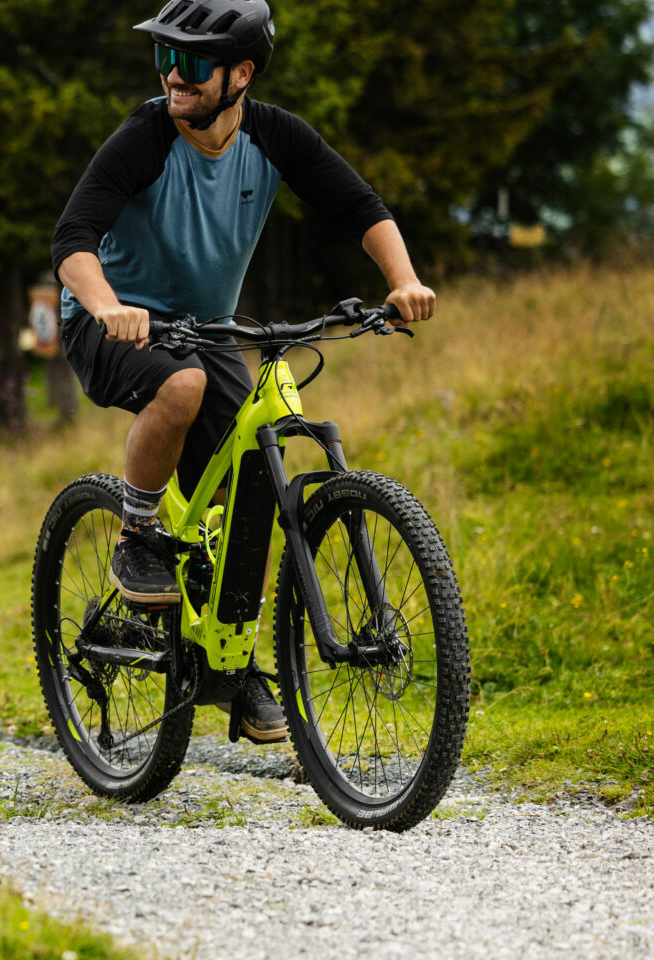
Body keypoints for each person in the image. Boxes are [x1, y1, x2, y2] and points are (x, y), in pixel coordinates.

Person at [51, 0, 437, 741]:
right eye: (164, 57)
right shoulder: (146, 135)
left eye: (192, 63)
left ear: (241, 74)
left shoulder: (273, 134)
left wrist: (404, 281)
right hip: (110, 323)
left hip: (210, 330)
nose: (173, 74)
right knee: (183, 384)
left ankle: (230, 668)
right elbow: (73, 237)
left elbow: (359, 205)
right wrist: (105, 306)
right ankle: (137, 539)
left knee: (256, 480)